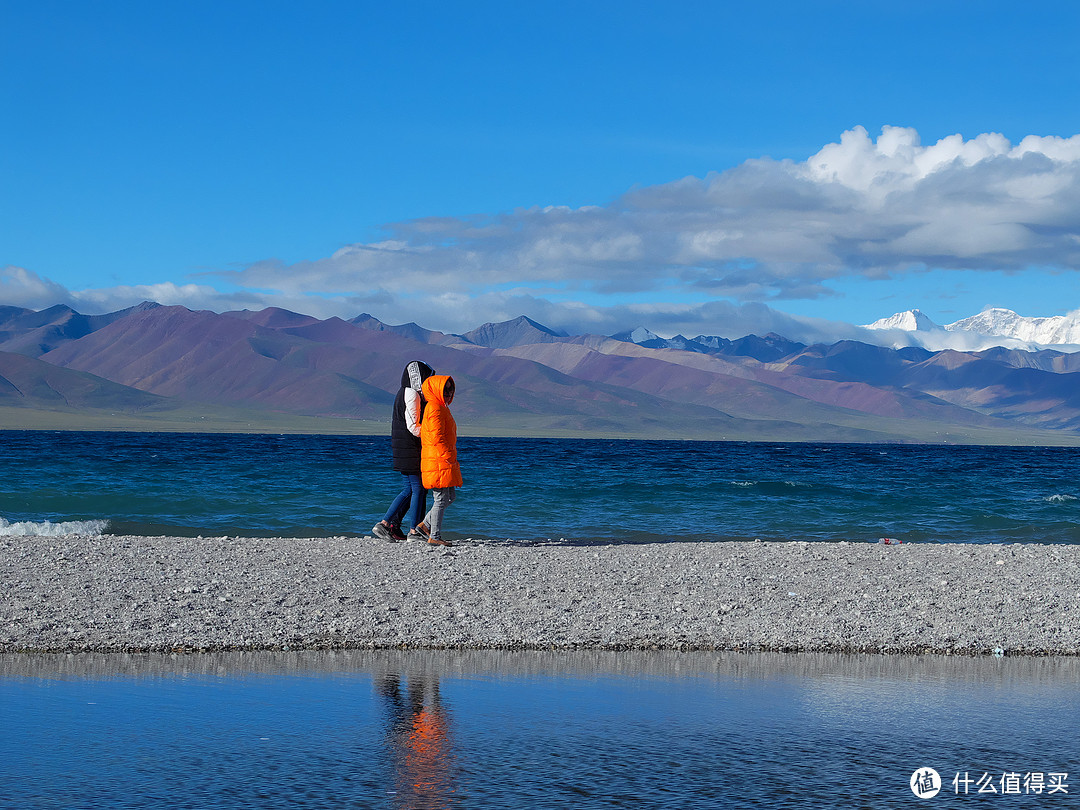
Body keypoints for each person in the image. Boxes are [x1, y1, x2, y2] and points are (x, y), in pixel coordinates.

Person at [372, 360, 434, 541]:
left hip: (404, 447)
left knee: (410, 489)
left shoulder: (404, 392)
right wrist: (432, 435)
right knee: (419, 489)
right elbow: (413, 426)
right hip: (410, 448)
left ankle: (390, 525)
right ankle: (413, 530)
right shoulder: (411, 394)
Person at [413, 374, 462, 547]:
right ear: (436, 390)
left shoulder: (441, 407)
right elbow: (436, 437)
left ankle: (425, 525)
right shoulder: (434, 408)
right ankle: (434, 535)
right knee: (441, 498)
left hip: (442, 459)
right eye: (445, 390)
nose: (448, 394)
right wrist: (447, 456)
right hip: (439, 460)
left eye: (450, 390)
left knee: (450, 497)